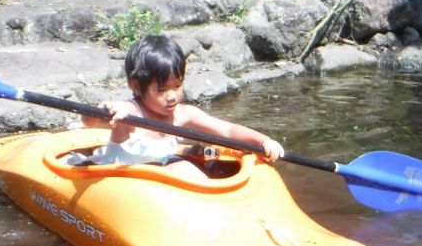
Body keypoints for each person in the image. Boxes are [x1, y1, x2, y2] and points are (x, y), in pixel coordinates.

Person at [80, 34, 284, 177]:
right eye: (162, 90)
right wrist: (107, 110)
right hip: (122, 180)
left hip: (160, 176)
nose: (172, 96)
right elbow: (89, 121)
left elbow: (227, 130)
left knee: (191, 168)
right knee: (183, 169)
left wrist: (263, 141)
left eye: (177, 86)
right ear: (136, 86)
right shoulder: (130, 113)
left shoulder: (183, 114)